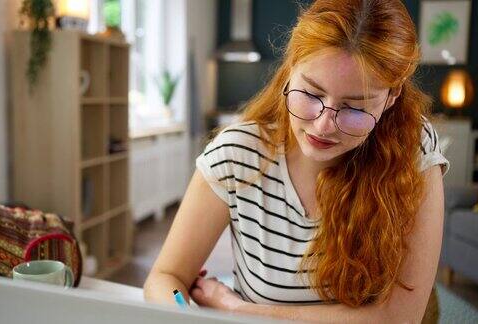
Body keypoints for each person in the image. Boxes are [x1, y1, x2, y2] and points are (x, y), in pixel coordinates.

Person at [144, 0, 449, 322]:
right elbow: (166, 278)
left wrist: (240, 310)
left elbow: (399, 319)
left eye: (355, 108)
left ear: (392, 96)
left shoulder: (412, 147)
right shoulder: (237, 155)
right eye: (312, 94)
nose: (323, 125)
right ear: (291, 69)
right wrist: (182, 313)